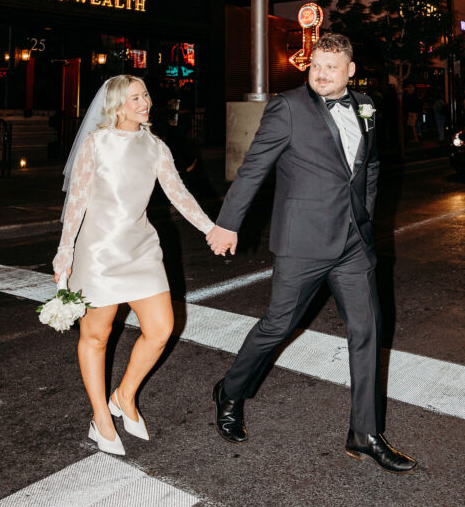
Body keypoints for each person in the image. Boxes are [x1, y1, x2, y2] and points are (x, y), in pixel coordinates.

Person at [206, 34, 416, 474]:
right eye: (316, 66)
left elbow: (370, 165)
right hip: (303, 242)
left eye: (331, 67)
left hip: (353, 243)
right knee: (277, 325)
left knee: (368, 331)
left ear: (351, 71)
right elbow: (254, 168)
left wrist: (365, 214)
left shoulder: (367, 105)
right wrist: (227, 223)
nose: (321, 74)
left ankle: (365, 433)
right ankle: (231, 391)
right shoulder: (287, 108)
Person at [53, 75, 214, 456]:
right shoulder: (95, 144)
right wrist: (65, 255)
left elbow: (179, 194)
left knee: (161, 329)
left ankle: (124, 395)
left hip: (141, 250)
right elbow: (75, 204)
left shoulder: (156, 146)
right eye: (135, 98)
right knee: (96, 336)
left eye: (145, 95)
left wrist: (212, 229)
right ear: (116, 106)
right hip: (98, 253)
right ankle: (100, 417)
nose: (144, 103)